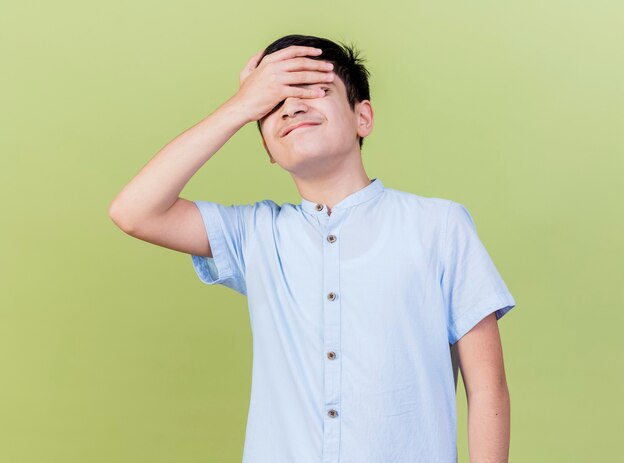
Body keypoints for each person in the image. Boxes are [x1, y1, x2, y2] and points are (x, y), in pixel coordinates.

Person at [109, 33, 517, 463]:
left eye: (316, 91)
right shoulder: (255, 234)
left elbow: (488, 385)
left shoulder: (439, 226)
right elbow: (134, 211)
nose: (293, 107)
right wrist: (241, 106)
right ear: (266, 147)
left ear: (364, 117)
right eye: (273, 104)